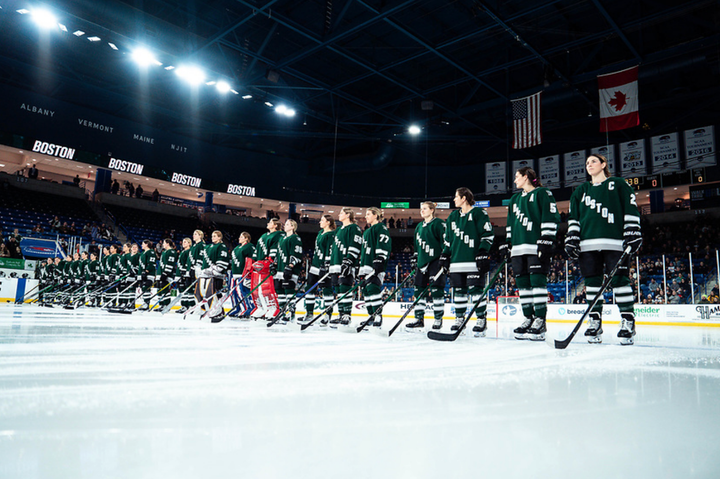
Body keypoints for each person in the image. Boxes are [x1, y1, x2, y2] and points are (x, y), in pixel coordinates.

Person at [565, 153, 642, 345]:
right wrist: (572, 237)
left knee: (620, 280)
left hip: (615, 243)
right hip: (588, 245)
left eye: (593, 161)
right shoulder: (581, 190)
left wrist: (633, 230)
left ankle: (627, 321)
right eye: (587, 163)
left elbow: (630, 207)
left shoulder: (618, 184)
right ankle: (595, 321)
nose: (589, 165)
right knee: (592, 283)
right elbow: (573, 217)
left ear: (603, 164)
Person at [500, 167, 560, 341]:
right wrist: (508, 243)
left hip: (536, 246)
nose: (514, 180)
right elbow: (510, 223)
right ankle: (529, 317)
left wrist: (546, 238)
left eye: (517, 177)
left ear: (526, 177)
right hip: (518, 249)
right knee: (523, 285)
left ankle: (540, 320)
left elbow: (550, 216)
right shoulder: (514, 199)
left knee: (537, 282)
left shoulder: (542, 193)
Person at [438, 187, 494, 336]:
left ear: (464, 198)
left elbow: (487, 234)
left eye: (456, 197)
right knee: (459, 292)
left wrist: (483, 251)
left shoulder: (479, 213)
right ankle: (459, 319)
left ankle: (481, 318)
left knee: (476, 291)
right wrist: (445, 255)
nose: (454, 199)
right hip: (456, 262)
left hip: (473, 261)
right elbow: (448, 240)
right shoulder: (452, 217)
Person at [405, 201, 446, 331]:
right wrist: (415, 257)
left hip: (436, 261)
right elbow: (416, 246)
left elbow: (445, 242)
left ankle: (438, 319)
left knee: (436, 290)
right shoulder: (418, 227)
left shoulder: (439, 224)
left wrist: (445, 258)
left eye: (424, 208)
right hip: (421, 263)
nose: (421, 211)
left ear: (432, 210)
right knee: (418, 291)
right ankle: (419, 318)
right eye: (421, 209)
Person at [355, 207, 392, 327]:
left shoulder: (380, 227)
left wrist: (380, 259)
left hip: (375, 264)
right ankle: (371, 315)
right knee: (366, 291)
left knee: (373, 288)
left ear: (376, 215)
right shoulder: (366, 231)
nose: (366, 216)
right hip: (365, 264)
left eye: (368, 214)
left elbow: (384, 242)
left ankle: (378, 315)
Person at [328, 207, 363, 327]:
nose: (339, 215)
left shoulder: (354, 228)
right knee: (338, 290)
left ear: (348, 215)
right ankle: (341, 313)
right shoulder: (338, 230)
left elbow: (356, 243)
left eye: (342, 213)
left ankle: (347, 314)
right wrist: (330, 262)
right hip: (335, 264)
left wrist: (349, 259)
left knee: (345, 288)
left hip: (346, 262)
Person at [301, 215, 336, 325]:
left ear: (328, 222)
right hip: (315, 265)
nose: (320, 222)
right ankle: (309, 312)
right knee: (309, 288)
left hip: (324, 265)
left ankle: (328, 314)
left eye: (322, 220)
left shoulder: (331, 235)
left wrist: (327, 264)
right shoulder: (320, 233)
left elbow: (330, 250)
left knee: (326, 289)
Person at [250, 218, 284, 319]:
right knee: (258, 290)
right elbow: (257, 249)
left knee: (268, 289)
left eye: (270, 223)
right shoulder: (264, 235)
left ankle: (273, 308)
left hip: (267, 266)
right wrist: (254, 260)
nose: (268, 224)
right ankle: (263, 308)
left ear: (275, 225)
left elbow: (275, 250)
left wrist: (270, 261)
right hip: (259, 266)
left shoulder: (278, 235)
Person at [275, 220, 303, 322]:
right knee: (280, 291)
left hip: (289, 269)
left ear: (292, 227)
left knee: (289, 290)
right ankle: (282, 311)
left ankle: (290, 311)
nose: (284, 225)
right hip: (280, 269)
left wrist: (290, 265)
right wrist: (274, 264)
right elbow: (278, 253)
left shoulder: (295, 238)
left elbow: (296, 252)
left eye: (287, 224)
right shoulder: (282, 238)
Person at [199, 230, 229, 321]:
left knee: (216, 293)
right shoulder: (209, 247)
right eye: (212, 236)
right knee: (207, 294)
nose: (213, 237)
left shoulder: (221, 246)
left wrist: (217, 269)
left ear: (220, 237)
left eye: (215, 236)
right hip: (207, 274)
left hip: (216, 275)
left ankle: (218, 311)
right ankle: (212, 310)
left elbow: (222, 261)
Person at [228, 232, 255, 318]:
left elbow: (252, 259)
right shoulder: (236, 248)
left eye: (242, 237)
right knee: (233, 292)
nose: (239, 238)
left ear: (246, 238)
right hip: (234, 273)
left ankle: (247, 308)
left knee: (242, 292)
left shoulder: (249, 246)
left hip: (243, 274)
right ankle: (236, 307)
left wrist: (249, 271)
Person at [155, 239, 178, 310]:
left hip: (166, 274)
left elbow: (170, 263)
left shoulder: (171, 252)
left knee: (164, 289)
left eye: (164, 243)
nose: (163, 245)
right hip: (160, 273)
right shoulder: (164, 252)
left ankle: (166, 304)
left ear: (168, 244)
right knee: (159, 289)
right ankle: (161, 304)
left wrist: (166, 273)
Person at [175, 238, 194, 314]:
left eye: (185, 242)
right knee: (182, 290)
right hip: (180, 273)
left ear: (189, 243)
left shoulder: (189, 252)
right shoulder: (183, 252)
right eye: (183, 242)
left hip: (185, 274)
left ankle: (190, 306)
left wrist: (184, 271)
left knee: (188, 290)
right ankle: (184, 306)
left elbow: (187, 263)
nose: (183, 243)